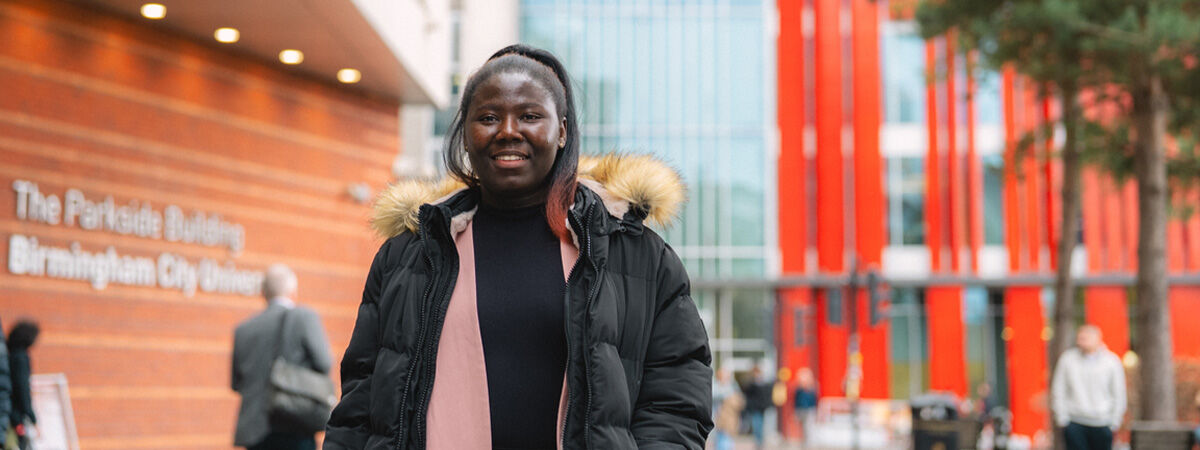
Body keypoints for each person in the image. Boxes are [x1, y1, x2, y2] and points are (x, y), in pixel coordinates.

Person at [324, 44, 712, 450]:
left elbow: (677, 396)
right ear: (465, 133)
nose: (508, 130)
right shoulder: (407, 254)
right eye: (489, 117)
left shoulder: (634, 253)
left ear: (562, 131)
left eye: (529, 116)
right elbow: (360, 403)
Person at [232, 264, 333, 450]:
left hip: (255, 431)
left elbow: (236, 383)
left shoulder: (243, 330)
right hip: (294, 424)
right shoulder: (304, 317)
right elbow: (324, 363)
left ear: (263, 292)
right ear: (292, 290)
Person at [1050, 325, 1126, 450]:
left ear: (1097, 338)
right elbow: (1058, 389)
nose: (1079, 341)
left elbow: (1119, 393)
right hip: (1074, 422)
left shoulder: (1112, 362)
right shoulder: (1067, 359)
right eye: (1079, 338)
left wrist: (1114, 422)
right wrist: (1062, 419)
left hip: (1103, 423)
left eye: (1084, 338)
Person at [7, 320, 38, 450]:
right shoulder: (20, 358)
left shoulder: (8, 355)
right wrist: (31, 416)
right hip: (14, 416)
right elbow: (22, 388)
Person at [741, 365, 773, 450]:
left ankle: (760, 442)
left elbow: (766, 395)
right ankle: (758, 442)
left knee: (760, 426)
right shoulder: (751, 384)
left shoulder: (764, 384)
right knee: (756, 425)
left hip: (762, 408)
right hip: (754, 408)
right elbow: (746, 391)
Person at [712, 368, 743, 450]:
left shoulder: (733, 386)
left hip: (730, 417)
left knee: (727, 437)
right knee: (720, 437)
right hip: (718, 416)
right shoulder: (716, 386)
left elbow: (739, 400)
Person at [793, 367, 818, 447]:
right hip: (801, 410)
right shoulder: (799, 389)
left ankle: (808, 444)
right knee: (802, 428)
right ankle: (803, 443)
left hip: (809, 410)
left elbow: (814, 400)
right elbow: (796, 400)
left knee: (808, 427)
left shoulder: (812, 388)